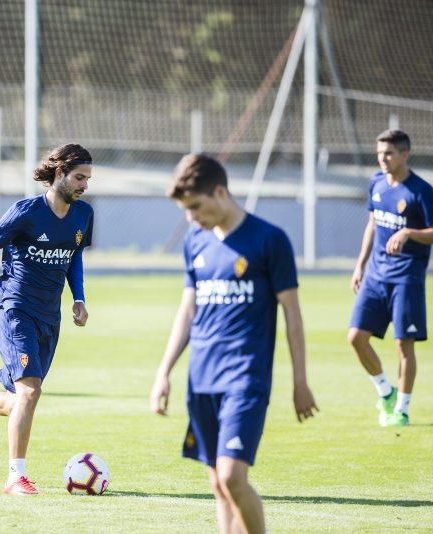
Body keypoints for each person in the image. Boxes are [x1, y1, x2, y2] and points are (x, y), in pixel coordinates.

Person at [149, 154, 317, 533]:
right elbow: (187, 311)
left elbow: (292, 315)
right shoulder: (196, 242)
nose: (191, 217)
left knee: (232, 478)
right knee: (217, 484)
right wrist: (164, 373)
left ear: (220, 192)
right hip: (201, 379)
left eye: (195, 206)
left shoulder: (269, 240)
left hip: (245, 378)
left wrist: (300, 382)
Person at [0, 143, 94, 495]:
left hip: (49, 316)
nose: (85, 185)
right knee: (30, 391)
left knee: (20, 400)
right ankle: (16, 477)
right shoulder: (26, 212)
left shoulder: (83, 215)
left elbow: (73, 257)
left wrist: (79, 297)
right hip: (15, 310)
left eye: (88, 178)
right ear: (59, 174)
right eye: (79, 177)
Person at [348, 129, 433, 427]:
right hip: (375, 275)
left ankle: (402, 410)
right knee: (356, 338)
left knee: (402, 345)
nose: (383, 159)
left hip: (406, 278)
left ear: (405, 154)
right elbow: (372, 222)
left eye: (389, 153)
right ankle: (385, 392)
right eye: (380, 153)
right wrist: (360, 265)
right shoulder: (376, 183)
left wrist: (409, 232)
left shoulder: (421, 192)